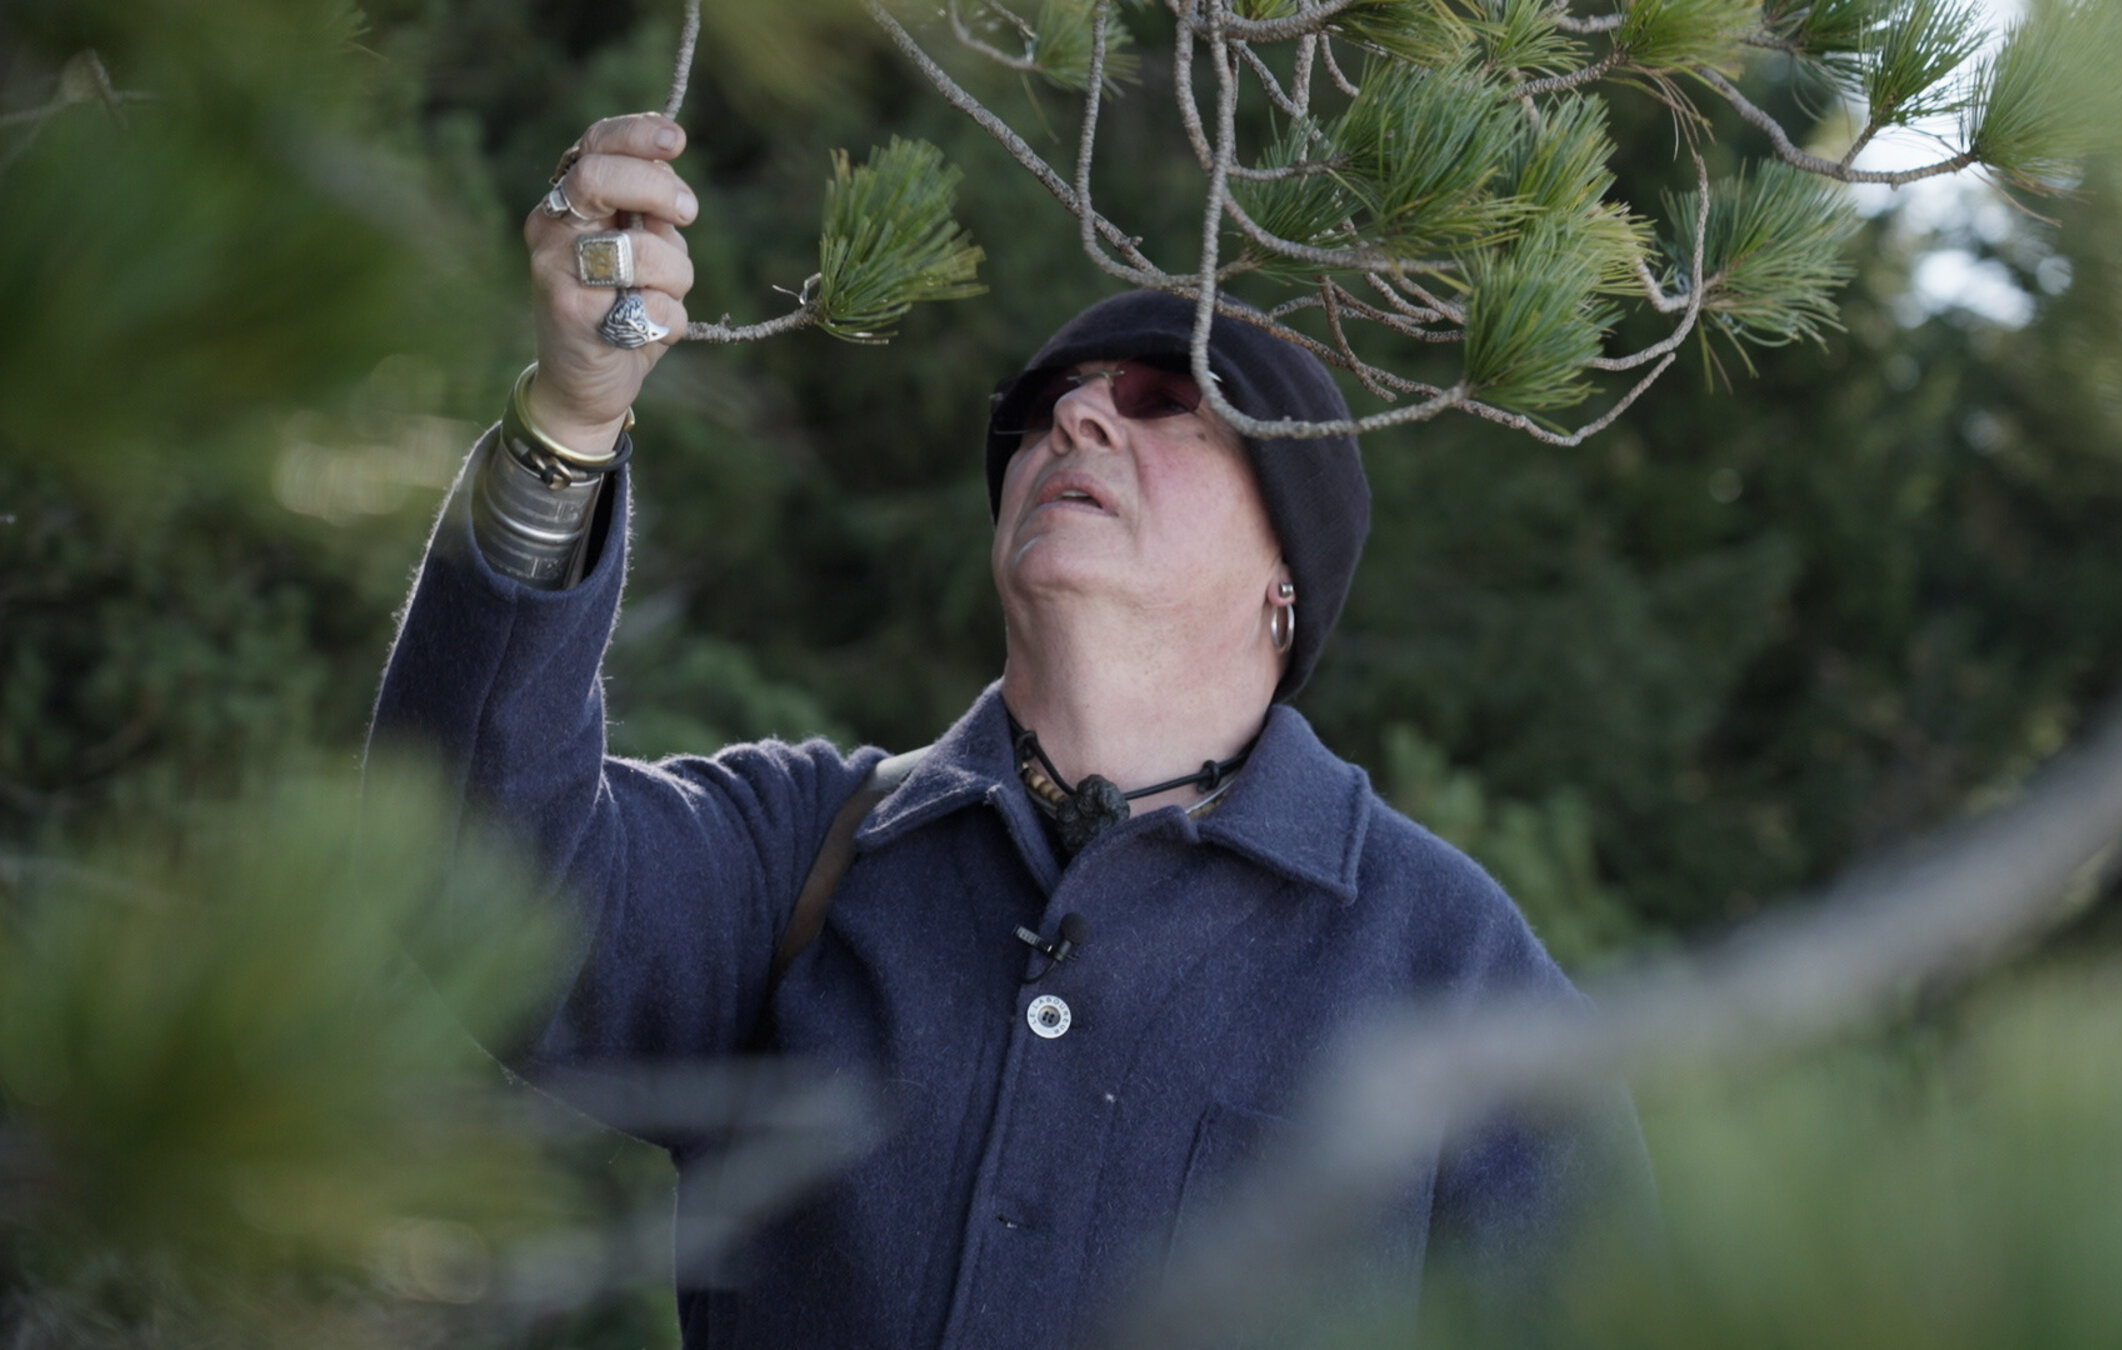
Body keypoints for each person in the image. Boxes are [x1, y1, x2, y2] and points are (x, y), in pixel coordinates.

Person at [368, 111, 1650, 1349]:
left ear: (1289, 569)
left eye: (1161, 397)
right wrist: (568, 426)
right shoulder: (801, 861)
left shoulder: (1452, 972)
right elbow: (466, 875)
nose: (1072, 422)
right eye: (1042, 411)